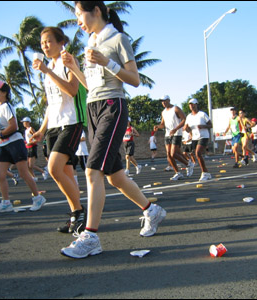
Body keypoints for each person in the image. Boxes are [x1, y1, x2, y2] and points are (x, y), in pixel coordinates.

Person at [59, 1, 166, 259]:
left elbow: (135, 80)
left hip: (112, 107)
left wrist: (108, 61)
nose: (78, 21)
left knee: (92, 170)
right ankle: (151, 210)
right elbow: (90, 84)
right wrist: (74, 66)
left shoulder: (118, 39)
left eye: (79, 14)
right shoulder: (91, 44)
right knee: (114, 176)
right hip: (93, 108)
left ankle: (91, 236)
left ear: (96, 10)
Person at [32, 26, 86, 234]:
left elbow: (72, 90)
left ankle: (80, 212)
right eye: (42, 43)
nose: (45, 46)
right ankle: (75, 216)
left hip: (71, 123)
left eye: (48, 41)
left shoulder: (66, 61)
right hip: (53, 126)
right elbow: (51, 104)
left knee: (54, 169)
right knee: (66, 174)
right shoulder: (50, 67)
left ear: (60, 42)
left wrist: (47, 71)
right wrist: (41, 129)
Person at [0, 80, 46, 212]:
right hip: (3, 145)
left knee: (24, 173)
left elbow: (13, 126)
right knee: (0, 174)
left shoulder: (6, 106)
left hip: (14, 143)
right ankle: (6, 202)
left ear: (4, 93)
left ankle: (38, 198)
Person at [154, 95, 194, 180]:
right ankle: (178, 173)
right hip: (168, 134)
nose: (163, 103)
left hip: (177, 133)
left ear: (169, 100)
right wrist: (158, 126)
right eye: (162, 101)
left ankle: (188, 164)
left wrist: (176, 129)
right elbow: (163, 124)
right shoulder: (163, 112)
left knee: (173, 154)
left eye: (165, 101)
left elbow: (184, 119)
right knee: (169, 155)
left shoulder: (176, 108)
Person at [184, 98, 212, 181]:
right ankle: (206, 172)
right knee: (196, 154)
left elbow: (210, 125)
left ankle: (205, 173)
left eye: (193, 104)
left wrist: (203, 126)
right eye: (190, 104)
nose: (191, 106)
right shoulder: (189, 117)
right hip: (195, 137)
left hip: (203, 136)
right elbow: (188, 129)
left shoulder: (202, 114)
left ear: (196, 105)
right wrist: (186, 129)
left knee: (198, 153)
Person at [21, 117, 48, 181]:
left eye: (24, 122)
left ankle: (43, 172)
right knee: (27, 165)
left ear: (28, 122)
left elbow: (37, 139)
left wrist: (31, 143)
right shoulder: (25, 130)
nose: (23, 124)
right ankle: (33, 177)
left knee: (31, 165)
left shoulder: (31, 129)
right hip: (27, 148)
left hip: (32, 147)